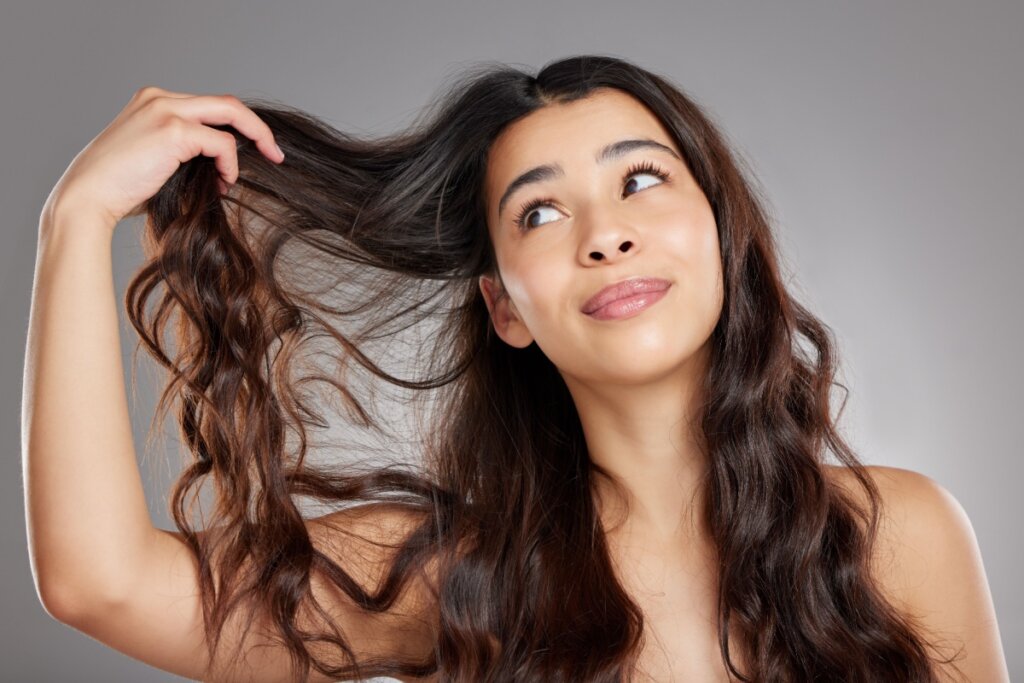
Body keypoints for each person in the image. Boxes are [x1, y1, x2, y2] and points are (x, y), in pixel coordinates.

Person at [23, 55, 1009, 682]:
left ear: (723, 237)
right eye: (540, 212)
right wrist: (72, 222)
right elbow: (102, 584)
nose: (604, 235)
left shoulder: (900, 533)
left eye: (640, 180)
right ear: (505, 309)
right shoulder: (456, 572)